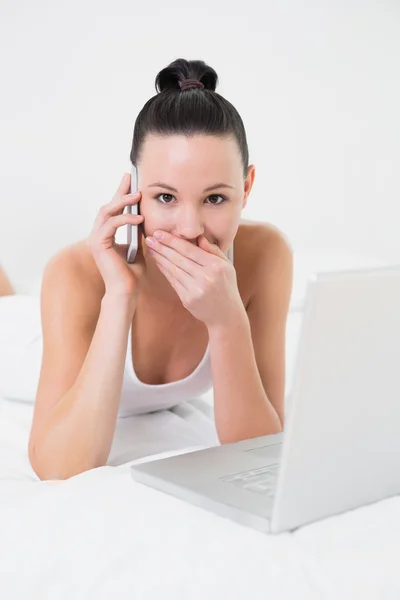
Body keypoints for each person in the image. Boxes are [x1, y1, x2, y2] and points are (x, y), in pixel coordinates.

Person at [3, 58, 293, 480]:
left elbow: (259, 453)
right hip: (17, 340)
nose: (191, 229)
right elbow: (59, 467)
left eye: (214, 199)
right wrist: (120, 296)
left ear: (246, 187)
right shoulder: (76, 271)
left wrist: (228, 320)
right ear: (135, 190)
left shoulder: (265, 256)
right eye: (165, 198)